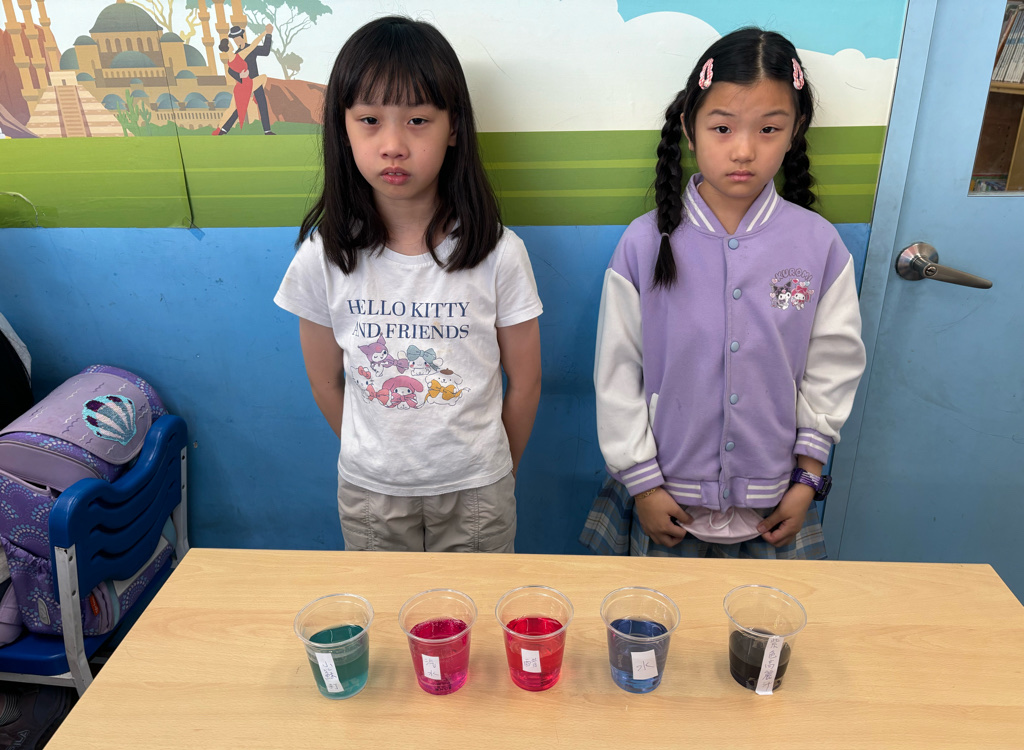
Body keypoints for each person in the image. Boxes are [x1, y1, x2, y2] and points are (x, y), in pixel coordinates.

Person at [582, 28, 866, 559]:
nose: (743, 149)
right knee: (656, 616)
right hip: (663, 495)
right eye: (722, 127)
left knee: (767, 617)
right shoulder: (644, 242)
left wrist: (808, 478)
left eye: (768, 129)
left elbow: (834, 364)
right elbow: (617, 371)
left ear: (795, 131)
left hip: (777, 499)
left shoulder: (819, 245)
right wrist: (643, 484)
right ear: (689, 130)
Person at [274, 17, 543, 553]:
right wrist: (378, 461)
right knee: (386, 609)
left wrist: (496, 473)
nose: (393, 145)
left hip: (478, 494)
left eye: (418, 120)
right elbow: (326, 383)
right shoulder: (323, 257)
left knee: (476, 609)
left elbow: (527, 381)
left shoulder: (499, 253)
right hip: (371, 495)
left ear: (454, 127)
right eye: (369, 120)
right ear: (342, 129)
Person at [213, 24, 275, 135]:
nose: (236, 40)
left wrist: (268, 34)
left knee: (262, 104)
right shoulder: (236, 54)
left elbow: (265, 51)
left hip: (255, 81)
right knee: (239, 108)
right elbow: (230, 70)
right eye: (234, 39)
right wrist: (239, 76)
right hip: (244, 84)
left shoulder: (250, 49)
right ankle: (224, 129)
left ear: (242, 36)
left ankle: (267, 130)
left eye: (237, 37)